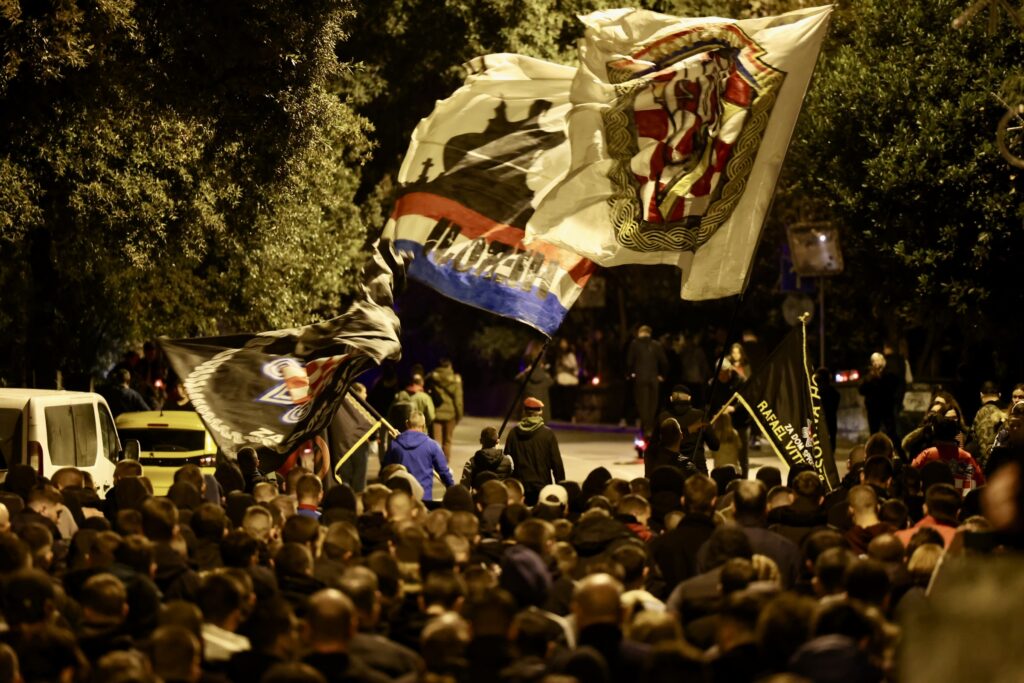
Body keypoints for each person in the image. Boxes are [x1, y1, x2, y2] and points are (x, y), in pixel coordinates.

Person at [503, 398, 565, 505]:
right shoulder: (548, 434)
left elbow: (507, 462)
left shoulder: (513, 433)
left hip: (520, 488)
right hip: (542, 487)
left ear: (524, 412)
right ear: (540, 412)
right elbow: (556, 463)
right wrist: (561, 487)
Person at [382, 410, 454, 500]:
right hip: (424, 498)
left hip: (401, 498)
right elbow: (444, 472)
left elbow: (386, 471)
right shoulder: (432, 445)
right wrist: (452, 488)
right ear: (423, 426)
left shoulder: (395, 445)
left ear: (407, 424)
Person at [911, 409, 986, 494]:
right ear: (955, 433)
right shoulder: (966, 458)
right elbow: (979, 482)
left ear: (935, 432)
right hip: (958, 500)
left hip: (932, 499)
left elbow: (911, 475)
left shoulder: (927, 455)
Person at [654, 384, 719, 473]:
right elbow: (715, 445)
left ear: (671, 399)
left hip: (672, 470)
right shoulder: (700, 416)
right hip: (697, 470)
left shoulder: (663, 417)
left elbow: (655, 446)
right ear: (689, 398)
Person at [627, 325, 668, 441]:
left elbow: (629, 361)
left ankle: (646, 429)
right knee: (652, 405)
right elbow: (664, 362)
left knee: (642, 404)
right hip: (654, 379)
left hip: (640, 379)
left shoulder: (634, 344)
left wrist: (630, 374)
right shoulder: (656, 345)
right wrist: (662, 375)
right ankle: (649, 428)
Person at [427, 358, 464, 462]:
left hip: (436, 413)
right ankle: (444, 464)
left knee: (436, 441)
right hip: (451, 414)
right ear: (449, 366)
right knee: (447, 441)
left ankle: (435, 462)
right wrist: (459, 415)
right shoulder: (455, 379)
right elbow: (458, 400)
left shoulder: (432, 377)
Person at [859, 352, 901, 440]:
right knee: (874, 432)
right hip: (873, 408)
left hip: (886, 407)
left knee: (891, 432)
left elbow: (893, 387)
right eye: (873, 361)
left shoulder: (889, 373)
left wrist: (880, 378)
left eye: (877, 360)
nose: (875, 363)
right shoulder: (869, 375)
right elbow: (861, 390)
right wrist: (870, 378)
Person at [971, 380, 1005, 469]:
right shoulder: (1006, 410)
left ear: (981, 394)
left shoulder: (986, 411)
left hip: (991, 469)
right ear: (999, 395)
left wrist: (987, 470)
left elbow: (986, 446)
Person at [552, 339, 580, 423]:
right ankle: (562, 416)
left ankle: (570, 416)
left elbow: (575, 369)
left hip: (570, 382)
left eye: (564, 343)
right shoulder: (559, 356)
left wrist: (565, 367)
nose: (562, 345)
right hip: (561, 381)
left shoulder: (570, 355)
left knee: (569, 400)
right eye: (561, 343)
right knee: (562, 400)